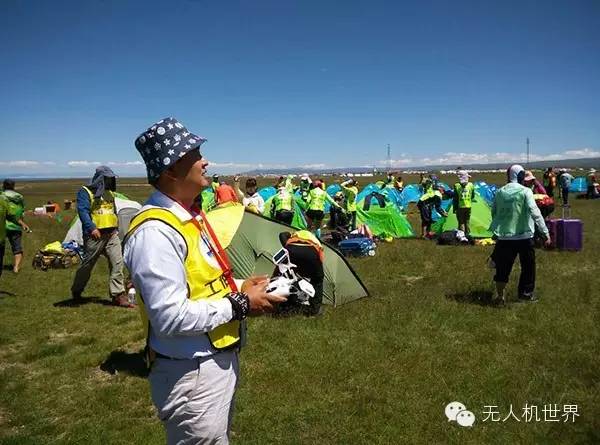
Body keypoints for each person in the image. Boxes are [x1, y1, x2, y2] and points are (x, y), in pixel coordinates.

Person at [125, 117, 286, 444]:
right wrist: (240, 305)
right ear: (171, 170)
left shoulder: (189, 218)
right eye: (195, 154)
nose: (205, 161)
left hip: (211, 364)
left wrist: (242, 286)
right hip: (191, 373)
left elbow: (203, 283)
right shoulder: (155, 233)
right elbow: (170, 317)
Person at [489, 165, 551, 304]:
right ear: (520, 175)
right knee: (528, 267)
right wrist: (545, 232)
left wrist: (497, 229)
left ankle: (500, 296)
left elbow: (494, 212)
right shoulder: (526, 191)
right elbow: (535, 212)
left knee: (502, 268)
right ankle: (525, 295)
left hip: (505, 236)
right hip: (525, 236)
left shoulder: (500, 192)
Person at [70, 166, 130, 307]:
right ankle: (77, 290)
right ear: (100, 179)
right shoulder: (85, 192)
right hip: (95, 235)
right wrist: (91, 228)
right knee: (87, 265)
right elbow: (83, 211)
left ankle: (118, 295)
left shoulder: (110, 193)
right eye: (108, 178)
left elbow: (113, 211)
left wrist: (115, 227)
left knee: (117, 263)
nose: (111, 181)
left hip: (111, 234)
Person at [276, 230, 325, 316]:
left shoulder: (295, 235)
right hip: (311, 252)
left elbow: (282, 234)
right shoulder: (316, 242)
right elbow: (320, 259)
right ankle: (315, 309)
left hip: (291, 250)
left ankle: (284, 306)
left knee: (287, 278)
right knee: (318, 280)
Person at [1, 179, 30, 273]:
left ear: (3, 186)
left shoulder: (1, 196)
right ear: (13, 186)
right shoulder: (19, 197)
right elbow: (21, 212)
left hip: (2, 225)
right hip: (16, 225)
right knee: (17, 248)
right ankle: (16, 267)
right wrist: (22, 223)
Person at [452, 170, 475, 236]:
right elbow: (473, 195)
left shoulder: (456, 185)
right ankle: (468, 235)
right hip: (468, 206)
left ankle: (462, 236)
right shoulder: (471, 185)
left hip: (460, 207)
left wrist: (454, 208)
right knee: (467, 221)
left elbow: (455, 198)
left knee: (461, 222)